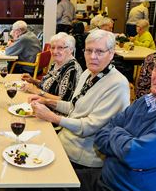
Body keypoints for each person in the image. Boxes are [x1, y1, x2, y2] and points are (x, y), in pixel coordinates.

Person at [36, 48, 156, 191]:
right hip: (106, 179)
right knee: (48, 183)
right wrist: (127, 143)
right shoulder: (145, 101)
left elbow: (135, 155)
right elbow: (102, 134)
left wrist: (119, 139)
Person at [29, 29, 129, 169]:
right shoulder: (88, 73)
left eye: (99, 51)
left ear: (111, 53)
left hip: (82, 157)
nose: (93, 56)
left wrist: (53, 117)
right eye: (89, 50)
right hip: (65, 140)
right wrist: (46, 101)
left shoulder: (117, 84)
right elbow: (73, 107)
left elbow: (89, 127)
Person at [21, 32, 82, 101]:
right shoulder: (56, 63)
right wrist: (33, 81)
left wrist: (37, 91)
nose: (55, 51)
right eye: (52, 48)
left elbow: (64, 101)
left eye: (60, 48)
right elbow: (48, 85)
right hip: (43, 101)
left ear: (70, 49)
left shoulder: (72, 70)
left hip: (53, 109)